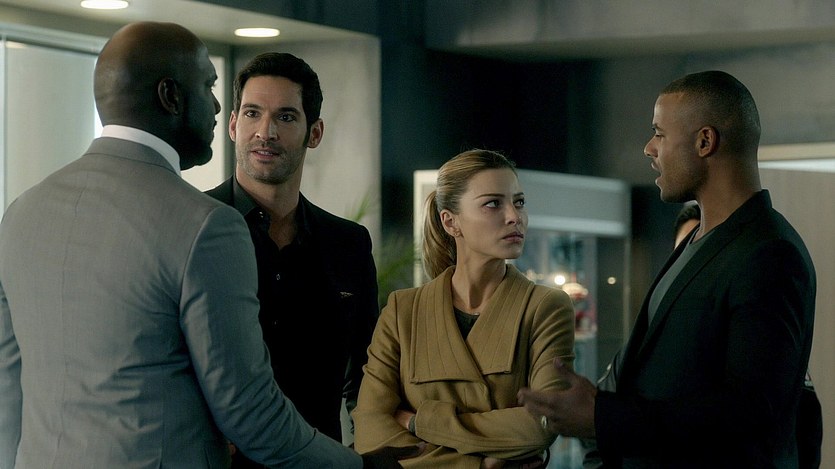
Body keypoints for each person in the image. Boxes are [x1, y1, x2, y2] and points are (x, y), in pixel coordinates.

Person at [0, 22, 412, 468]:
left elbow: (8, 391)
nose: (217, 107)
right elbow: (250, 411)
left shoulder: (20, 213)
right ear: (172, 97)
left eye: (286, 117)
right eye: (210, 87)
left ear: (314, 132)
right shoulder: (202, 225)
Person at [518, 70, 817, 467]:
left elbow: (752, 409)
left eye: (659, 133)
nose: (648, 148)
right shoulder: (696, 242)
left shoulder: (769, 252)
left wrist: (603, 417)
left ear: (705, 141)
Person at [205, 51, 379, 464]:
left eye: (285, 117)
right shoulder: (193, 225)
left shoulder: (348, 243)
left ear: (314, 133)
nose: (265, 132)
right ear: (233, 125)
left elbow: (368, 373)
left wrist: (364, 452)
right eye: (252, 113)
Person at [352, 149, 576, 467]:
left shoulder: (545, 307)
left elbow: (544, 421)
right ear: (450, 221)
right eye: (493, 203)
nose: (514, 216)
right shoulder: (403, 311)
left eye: (519, 202)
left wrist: (418, 421)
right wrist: (479, 465)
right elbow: (371, 429)